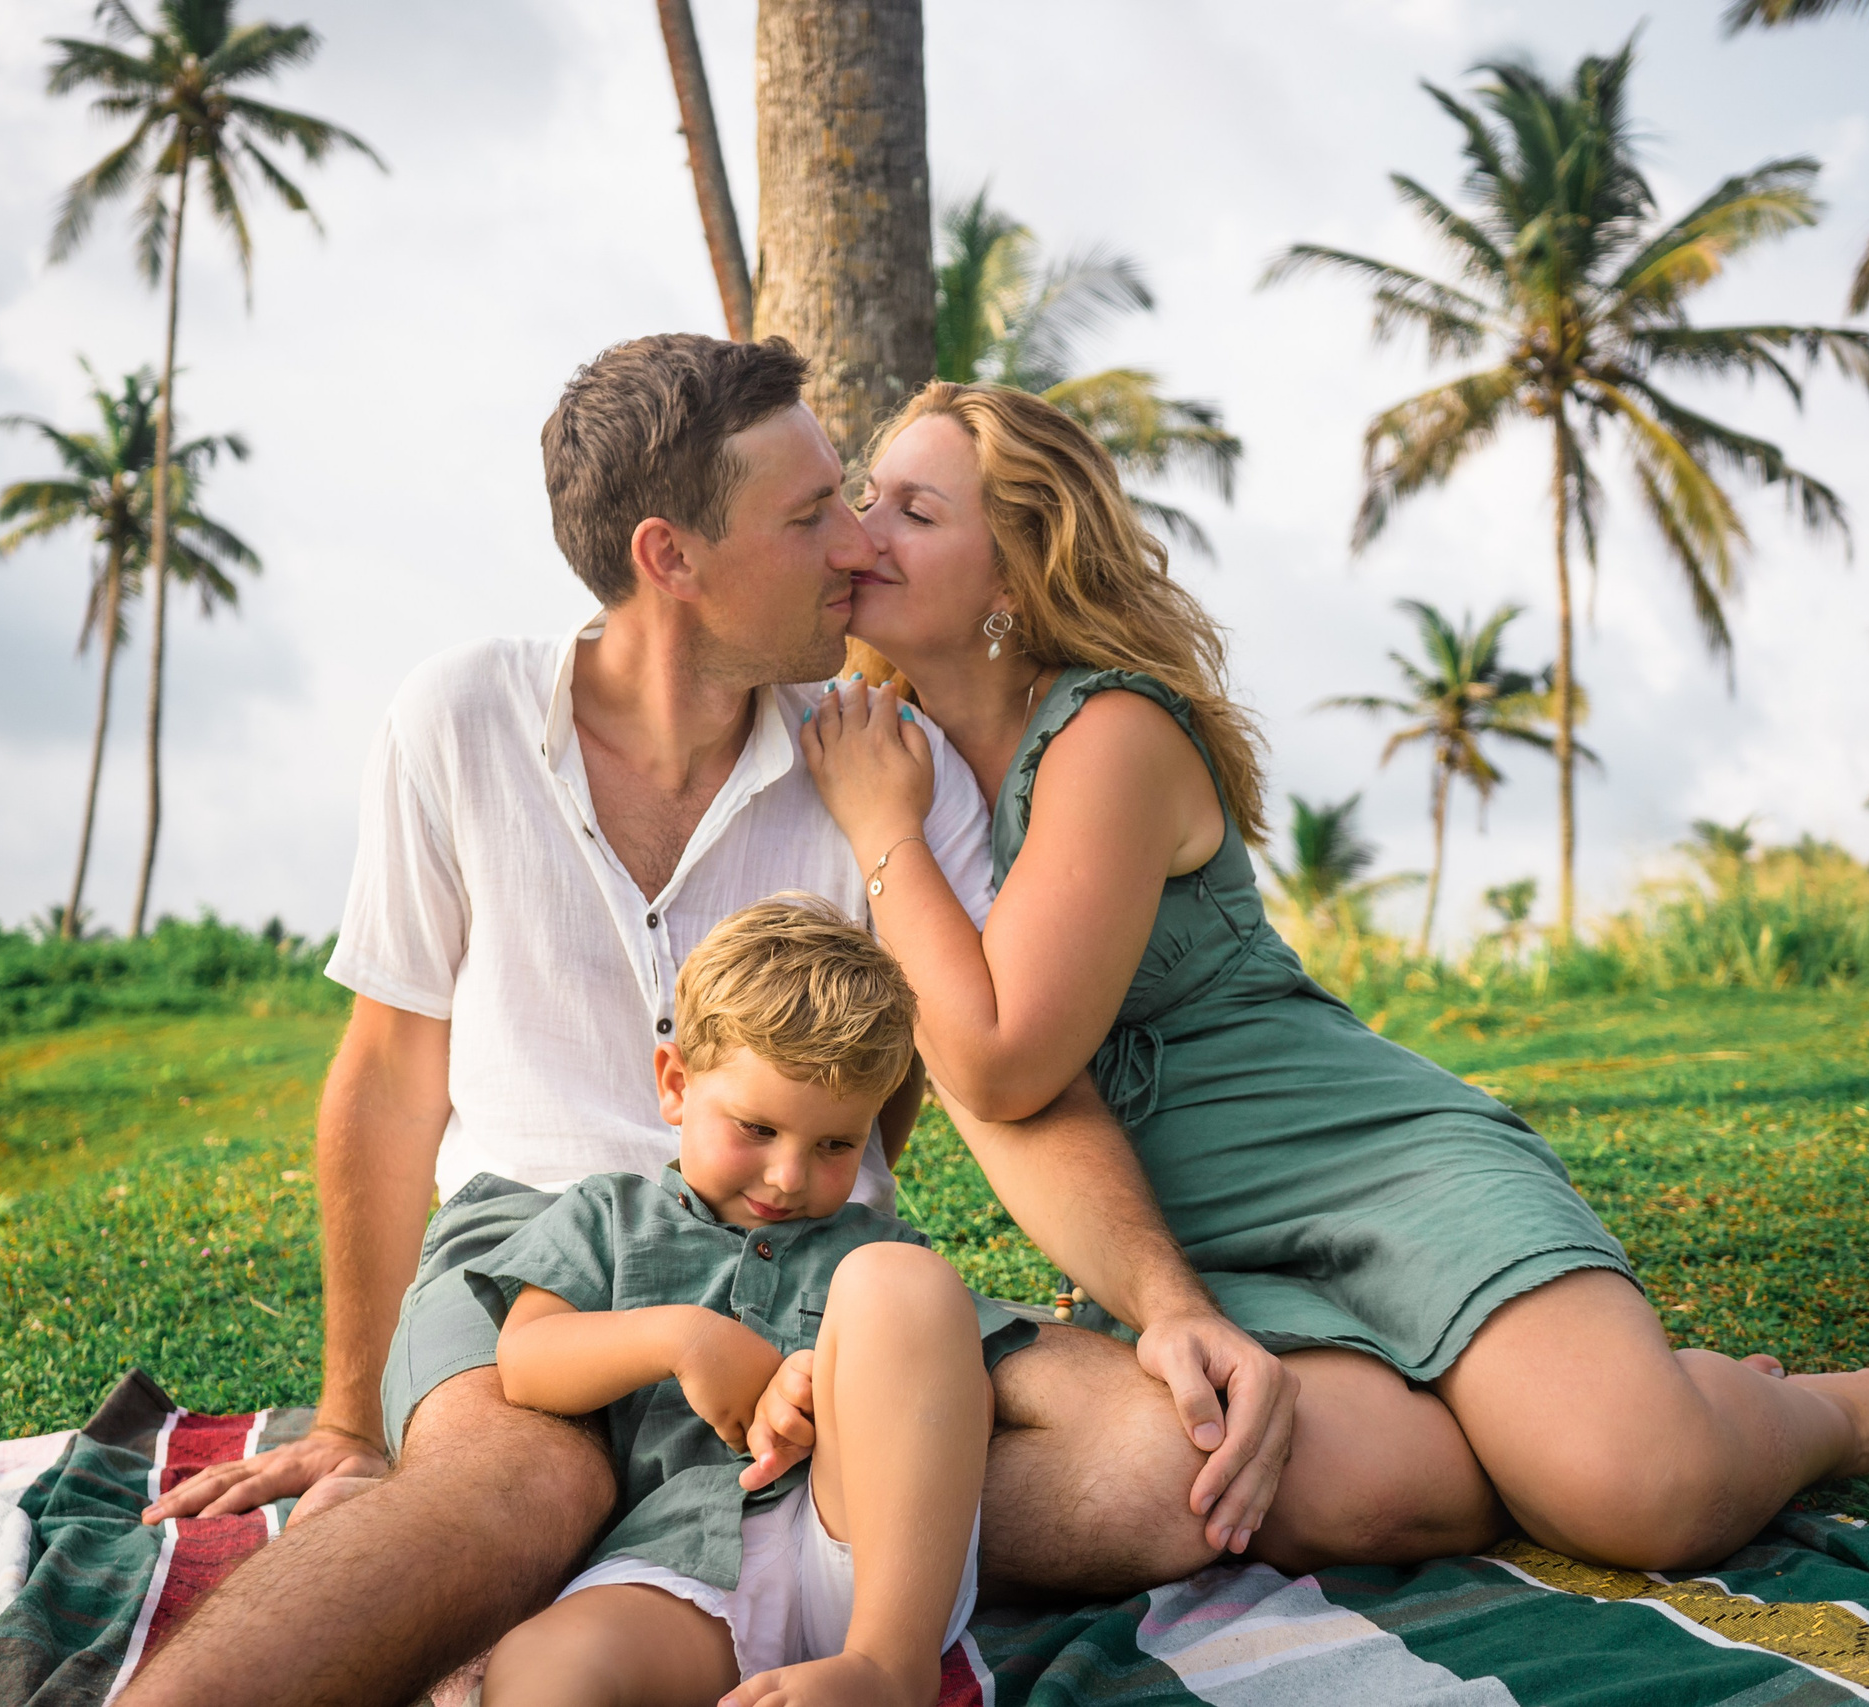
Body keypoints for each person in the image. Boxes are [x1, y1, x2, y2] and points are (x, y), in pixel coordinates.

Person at [120, 337, 1498, 1707]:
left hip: (825, 1268)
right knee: (520, 1485)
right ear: (671, 557)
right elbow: (386, 1077)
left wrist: (1168, 1302)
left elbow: (999, 1085)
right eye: (809, 516)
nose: (853, 542)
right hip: (541, 1258)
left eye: (857, 498)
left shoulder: (874, 763)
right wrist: (356, 1417)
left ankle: (740, 1559)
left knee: (1160, 1469)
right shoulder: (458, 716)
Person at [799, 379, 1869, 1575]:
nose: (864, 531)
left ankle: (1814, 1415)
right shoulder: (887, 750)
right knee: (1354, 1493)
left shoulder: (1103, 734)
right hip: (1192, 1242)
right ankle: (1596, 1401)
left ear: (1017, 574)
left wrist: (885, 836)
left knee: (1632, 1493)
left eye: (918, 511)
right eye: (869, 496)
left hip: (1367, 1158)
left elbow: (1006, 1058)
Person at [480, 897, 1014, 1707]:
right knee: (542, 1666)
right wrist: (684, 1339)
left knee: (895, 1280)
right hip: (675, 1564)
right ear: (675, 1084)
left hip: (861, 1558)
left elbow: (960, 1402)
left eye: (836, 1144)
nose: (789, 1176)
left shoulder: (872, 1249)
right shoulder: (610, 1216)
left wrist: (830, 1394)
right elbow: (526, 1360)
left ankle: (887, 1672)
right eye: (757, 1128)